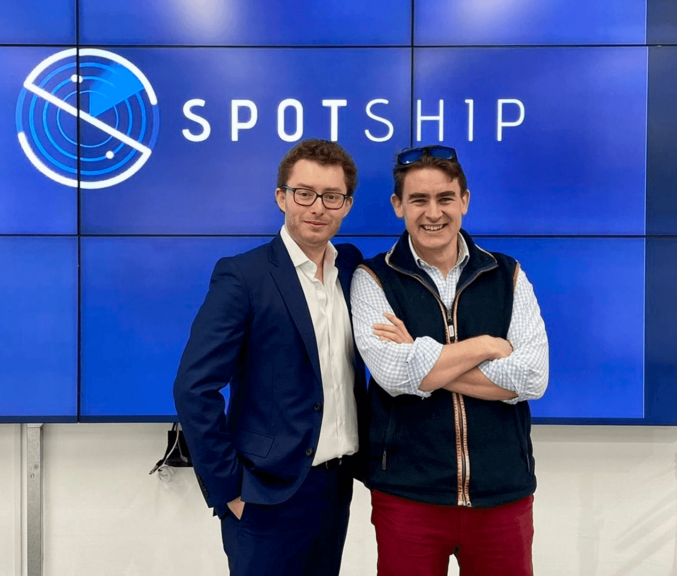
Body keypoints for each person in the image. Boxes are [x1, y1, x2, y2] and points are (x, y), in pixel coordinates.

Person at [350, 145, 549, 576]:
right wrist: (487, 345)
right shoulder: (372, 278)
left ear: (464, 200)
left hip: (502, 495)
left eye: (445, 198)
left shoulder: (507, 274)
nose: (433, 213)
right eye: (418, 200)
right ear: (398, 205)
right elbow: (394, 375)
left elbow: (532, 378)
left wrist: (423, 360)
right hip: (408, 496)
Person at [173, 139, 369, 576]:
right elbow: (193, 387)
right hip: (263, 494)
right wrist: (229, 490)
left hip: (336, 487)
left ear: (346, 205)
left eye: (331, 196)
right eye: (304, 193)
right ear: (281, 197)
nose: (317, 207)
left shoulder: (352, 268)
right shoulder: (243, 275)